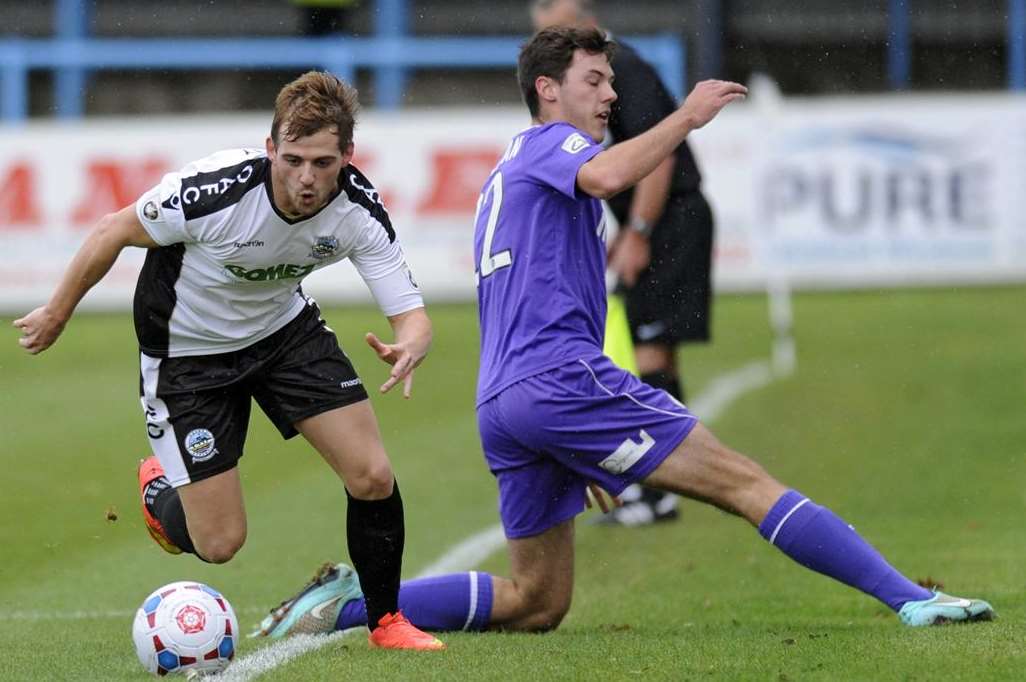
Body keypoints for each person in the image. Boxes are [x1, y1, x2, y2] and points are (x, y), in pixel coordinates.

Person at [251, 28, 994, 640]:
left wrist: (566, 440)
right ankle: (910, 598)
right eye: (597, 80)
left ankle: (344, 607)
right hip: (558, 383)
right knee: (745, 482)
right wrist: (688, 119)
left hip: (506, 402)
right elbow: (607, 177)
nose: (611, 95)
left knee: (538, 602)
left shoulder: (508, 173)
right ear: (550, 89)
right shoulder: (551, 147)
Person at [13, 71, 445, 651]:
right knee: (219, 543)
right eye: (292, 159)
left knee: (371, 475)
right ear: (270, 149)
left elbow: (411, 315)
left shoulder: (357, 209)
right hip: (188, 356)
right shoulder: (213, 191)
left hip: (283, 332)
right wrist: (57, 314)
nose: (306, 178)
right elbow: (112, 229)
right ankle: (159, 492)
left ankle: (387, 621)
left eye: (322, 162)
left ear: (347, 155)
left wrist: (412, 342)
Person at [531, 0, 714, 526]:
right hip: (658, 220)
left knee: (650, 351)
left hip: (670, 219)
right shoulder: (586, 74)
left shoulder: (620, 69)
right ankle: (666, 487)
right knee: (652, 350)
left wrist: (637, 231)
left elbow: (660, 154)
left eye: (550, 4)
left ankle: (661, 491)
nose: (540, 14)